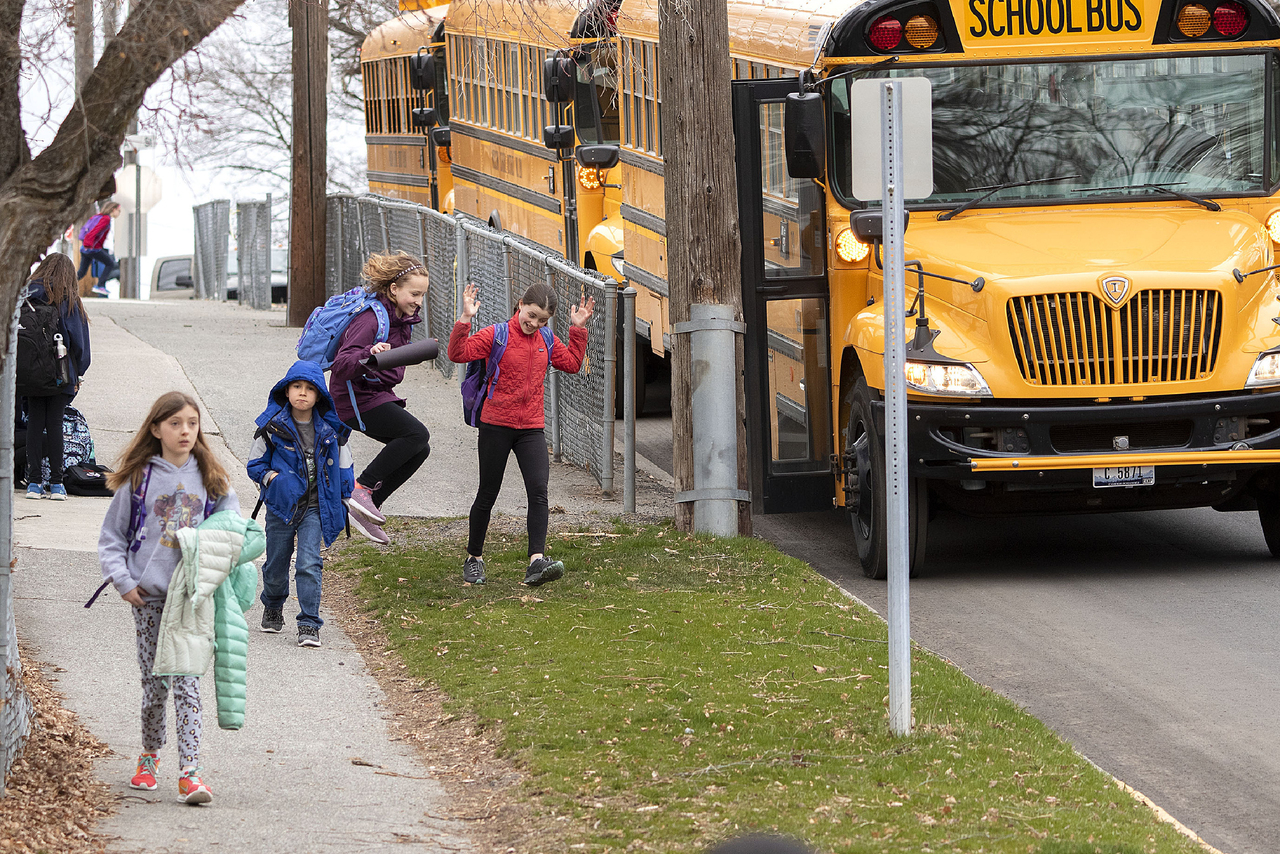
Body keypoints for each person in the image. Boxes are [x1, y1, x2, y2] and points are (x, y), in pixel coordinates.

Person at [98, 391, 240, 805]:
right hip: (149, 600)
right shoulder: (139, 478)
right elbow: (111, 538)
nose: (185, 431)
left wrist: (214, 571)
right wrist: (124, 583)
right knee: (155, 685)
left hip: (192, 600)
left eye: (192, 423)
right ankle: (149, 756)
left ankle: (190, 773)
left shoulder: (212, 477)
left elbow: (231, 531)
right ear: (156, 428)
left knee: (188, 683)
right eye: (176, 423)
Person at [447, 281, 594, 586]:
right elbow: (457, 353)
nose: (535, 323)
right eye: (531, 315)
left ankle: (536, 562)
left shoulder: (546, 339)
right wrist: (465, 319)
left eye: (542, 320)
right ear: (520, 305)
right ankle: (474, 558)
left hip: (531, 427)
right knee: (488, 492)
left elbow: (572, 363)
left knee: (539, 492)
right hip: (496, 424)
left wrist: (577, 329)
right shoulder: (496, 335)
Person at [247, 361, 354, 648]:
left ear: (319, 396)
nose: (302, 394)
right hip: (282, 507)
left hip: (316, 507)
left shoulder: (333, 430)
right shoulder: (271, 426)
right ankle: (273, 604)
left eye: (309, 389)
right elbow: (254, 463)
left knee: (309, 563)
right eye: (297, 387)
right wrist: (273, 479)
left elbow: (345, 467)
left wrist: (345, 498)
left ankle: (308, 623)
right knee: (276, 564)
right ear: (286, 390)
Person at [329, 251, 432, 545]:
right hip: (353, 400)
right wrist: (368, 354)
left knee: (419, 448)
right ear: (394, 289)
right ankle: (360, 489)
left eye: (422, 295)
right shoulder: (371, 319)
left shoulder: (403, 320)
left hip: (377, 394)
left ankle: (366, 507)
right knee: (416, 434)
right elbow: (342, 363)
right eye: (414, 293)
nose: (418, 301)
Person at [23, 253, 90, 500]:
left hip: (31, 373)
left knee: (34, 424)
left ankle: (33, 483)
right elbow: (81, 346)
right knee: (55, 425)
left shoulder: (27, 297)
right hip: (62, 375)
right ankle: (57, 484)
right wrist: (79, 373)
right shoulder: (70, 302)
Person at [75, 201, 121, 296]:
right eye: (118, 211)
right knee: (110, 263)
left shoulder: (99, 216)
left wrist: (86, 246)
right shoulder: (106, 219)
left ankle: (64, 285)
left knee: (81, 272)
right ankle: (100, 285)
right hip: (92, 248)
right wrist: (88, 245)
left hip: (86, 248)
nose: (119, 213)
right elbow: (94, 232)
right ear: (113, 209)